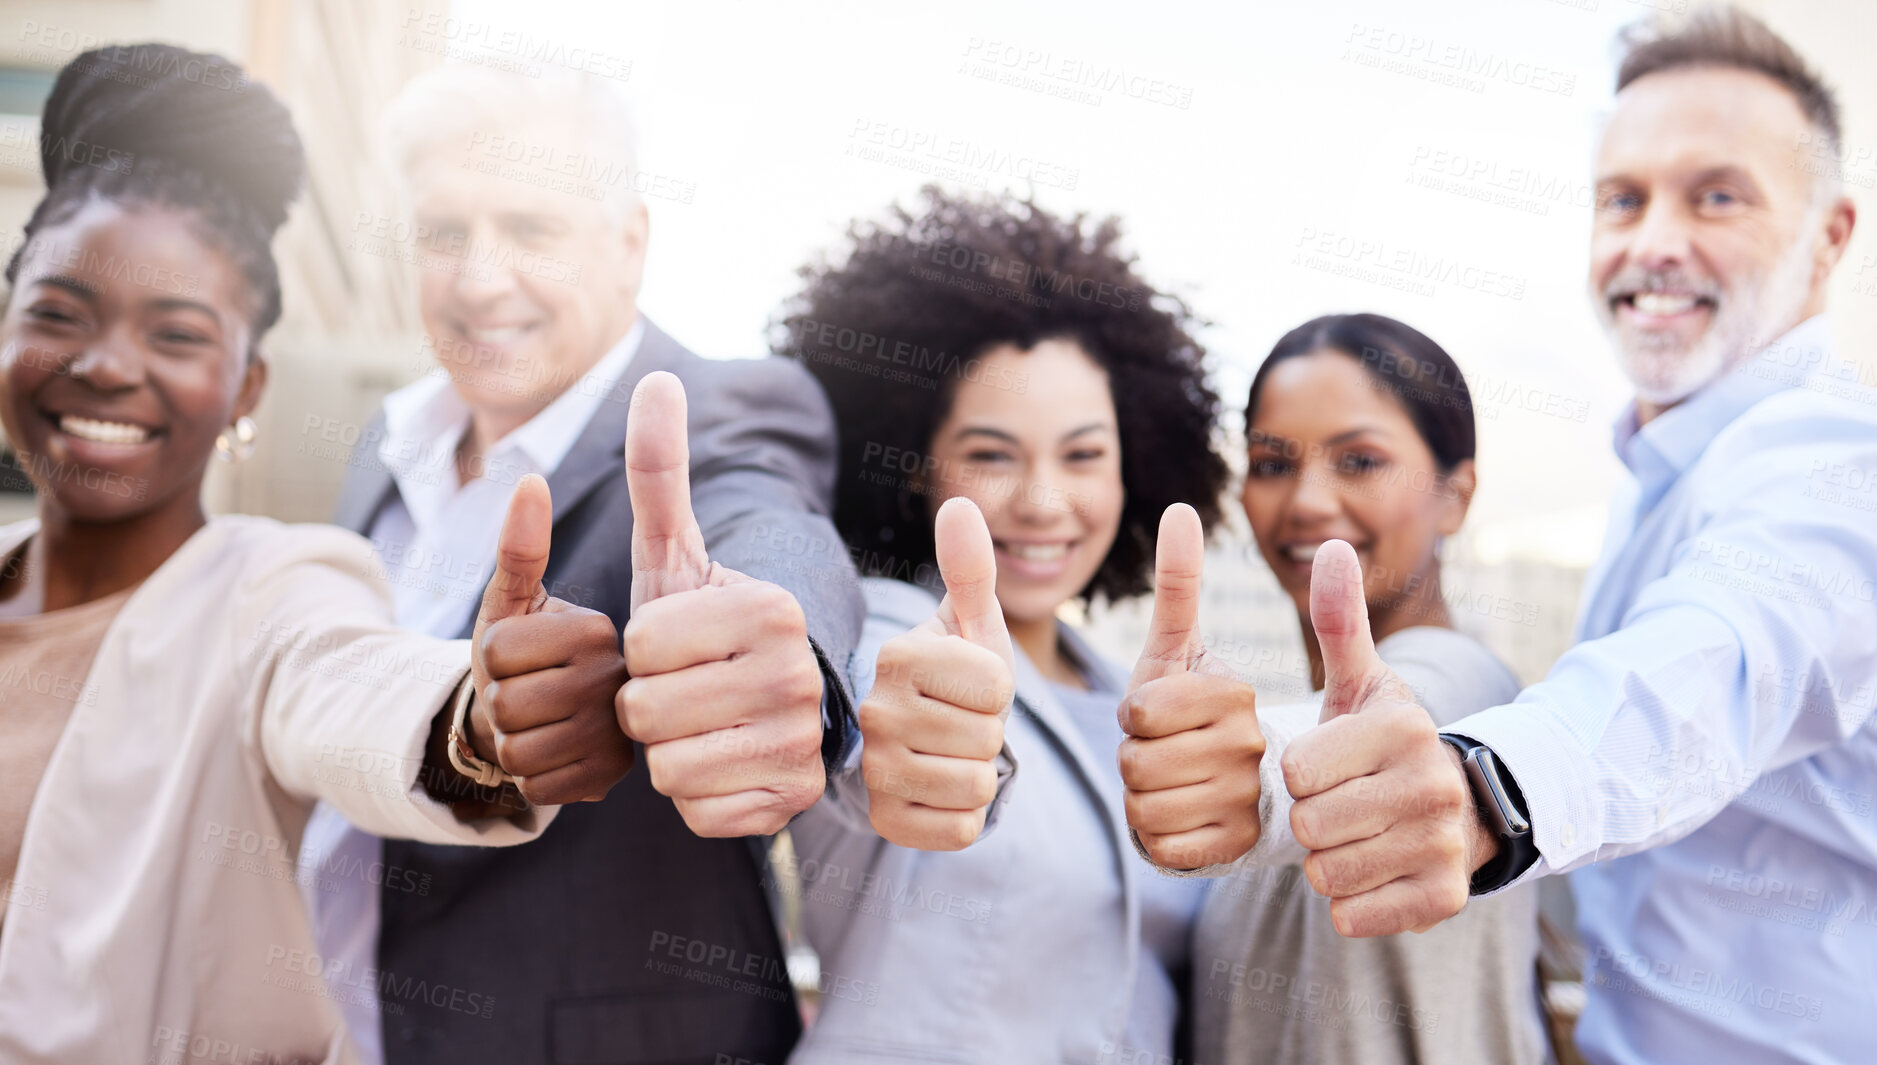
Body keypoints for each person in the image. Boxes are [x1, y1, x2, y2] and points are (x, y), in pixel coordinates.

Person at [1269, 10, 1877, 1064]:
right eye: (1621, 199)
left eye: (1715, 195)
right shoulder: (1664, 470)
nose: (1650, 242)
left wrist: (1487, 788)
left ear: (1827, 235)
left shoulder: (1829, 459)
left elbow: (1715, 659)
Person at [0, 45, 629, 1061]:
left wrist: (482, 723)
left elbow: (353, 689)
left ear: (246, 390)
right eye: (58, 314)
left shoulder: (271, 592)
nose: (106, 365)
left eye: (176, 334)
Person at [297, 63, 863, 1064]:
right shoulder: (382, 445)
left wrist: (781, 661)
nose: (477, 279)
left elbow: (769, 533)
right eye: (442, 234)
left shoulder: (716, 411)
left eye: (530, 229)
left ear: (629, 244)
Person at [774, 188, 1245, 1062]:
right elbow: (868, 715)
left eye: (1082, 454)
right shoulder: (884, 629)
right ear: (915, 465)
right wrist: (898, 735)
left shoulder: (1125, 693)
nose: (1041, 502)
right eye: (990, 454)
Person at [1188, 314, 1544, 1064]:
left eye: (1358, 460)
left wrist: (1211, 775)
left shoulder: (1464, 691)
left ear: (1455, 494)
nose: (1308, 500)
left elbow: (1397, 738)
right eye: (1272, 462)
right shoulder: (1305, 704)